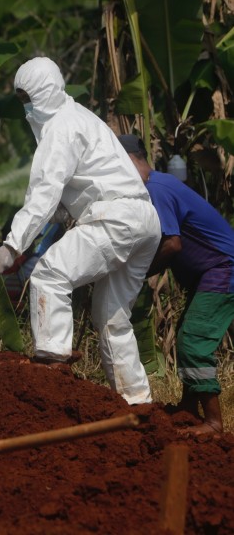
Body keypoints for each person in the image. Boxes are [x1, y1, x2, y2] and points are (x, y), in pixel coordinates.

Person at [0, 57, 161, 405]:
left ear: (45, 93)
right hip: (144, 220)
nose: (26, 109)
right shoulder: (82, 116)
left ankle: (52, 369)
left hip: (114, 218)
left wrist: (12, 246)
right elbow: (69, 195)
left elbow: (43, 194)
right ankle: (137, 402)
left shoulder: (60, 128)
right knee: (111, 315)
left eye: (28, 99)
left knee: (49, 275)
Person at [120, 134, 234, 433]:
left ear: (130, 159)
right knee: (187, 336)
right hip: (209, 272)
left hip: (223, 269)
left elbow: (172, 245)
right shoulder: (154, 186)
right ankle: (188, 406)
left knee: (193, 341)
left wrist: (135, 274)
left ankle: (213, 422)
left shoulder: (155, 189)